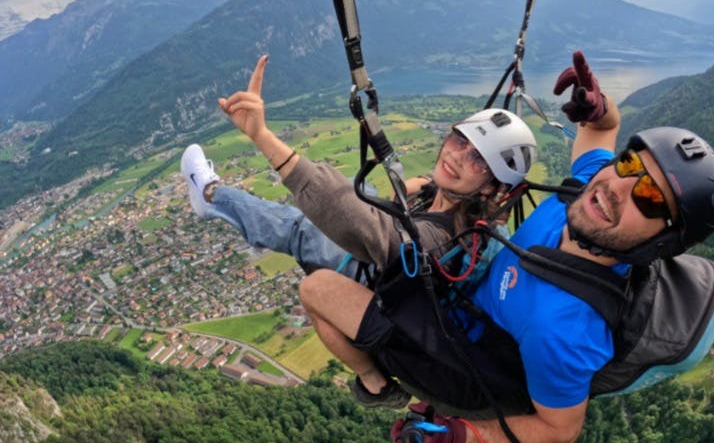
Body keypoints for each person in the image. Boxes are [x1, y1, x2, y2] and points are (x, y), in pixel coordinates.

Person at [298, 50, 714, 443]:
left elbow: (560, 429)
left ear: (662, 243)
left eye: (651, 198)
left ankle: (378, 388)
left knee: (318, 288)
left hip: (465, 362)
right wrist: (599, 109)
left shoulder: (563, 327)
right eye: (630, 165)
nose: (617, 188)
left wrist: (459, 435)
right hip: (467, 307)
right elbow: (600, 131)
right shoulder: (582, 195)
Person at [181, 54, 538, 405]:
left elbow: (360, 221)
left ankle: (212, 196)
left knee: (301, 232)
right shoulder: (461, 209)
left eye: (479, 159)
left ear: (493, 188)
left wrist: (263, 137)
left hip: (392, 309)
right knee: (363, 195)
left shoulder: (444, 240)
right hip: (407, 292)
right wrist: (420, 189)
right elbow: (406, 205)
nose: (458, 155)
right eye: (461, 140)